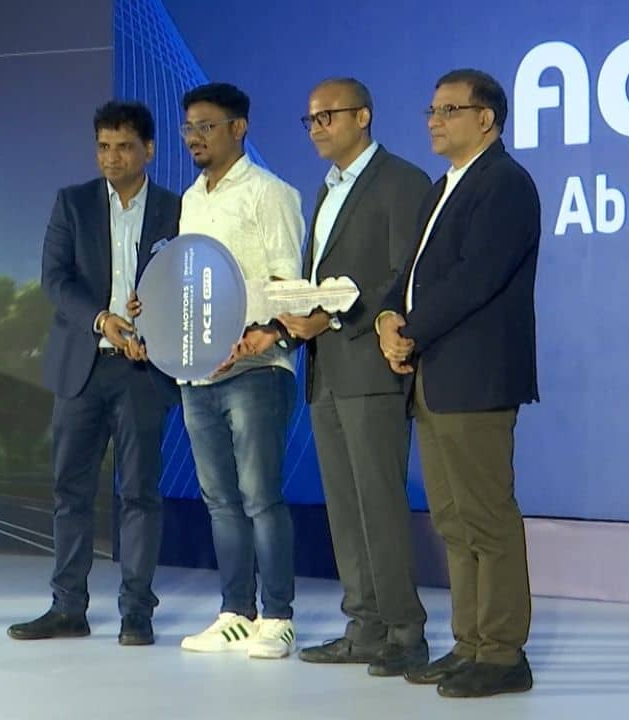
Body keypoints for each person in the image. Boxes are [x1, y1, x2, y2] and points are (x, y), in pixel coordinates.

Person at [376, 69, 541, 698]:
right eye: (432, 110)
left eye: (449, 110)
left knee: (486, 517)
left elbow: (476, 278)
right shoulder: (443, 186)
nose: (434, 121)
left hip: (475, 376)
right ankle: (469, 644)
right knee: (453, 519)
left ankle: (502, 655)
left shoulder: (505, 183)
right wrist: (388, 319)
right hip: (435, 376)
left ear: (486, 119)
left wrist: (411, 331)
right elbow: (410, 273)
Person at [8, 101, 180, 647]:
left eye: (124, 147)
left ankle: (137, 612)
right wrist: (102, 318)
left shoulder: (176, 210)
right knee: (71, 491)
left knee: (140, 494)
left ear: (148, 149)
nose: (111, 157)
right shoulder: (73, 203)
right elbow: (54, 279)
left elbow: (186, 285)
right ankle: (68, 608)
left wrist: (155, 322)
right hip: (81, 365)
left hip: (142, 372)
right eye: (103, 147)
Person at [279, 77, 431, 677]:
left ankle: (405, 631)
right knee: (345, 507)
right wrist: (297, 316)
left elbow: (402, 276)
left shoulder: (401, 181)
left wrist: (333, 317)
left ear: (363, 116)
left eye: (328, 116)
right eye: (310, 120)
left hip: (371, 365)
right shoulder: (327, 188)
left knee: (379, 504)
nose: (317, 128)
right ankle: (364, 626)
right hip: (325, 369)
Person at [170, 82, 305, 660]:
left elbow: (288, 282)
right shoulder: (190, 199)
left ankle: (278, 617)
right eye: (188, 128)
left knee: (259, 497)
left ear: (239, 128)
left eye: (206, 126)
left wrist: (261, 333)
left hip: (256, 367)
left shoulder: (271, 193)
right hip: (197, 373)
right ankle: (235, 612)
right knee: (220, 499)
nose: (194, 138)